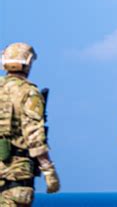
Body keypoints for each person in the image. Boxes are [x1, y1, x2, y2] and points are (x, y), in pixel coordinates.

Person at [0, 43, 60, 205]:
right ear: (29, 63)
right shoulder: (29, 92)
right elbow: (34, 135)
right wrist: (48, 170)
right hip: (16, 174)